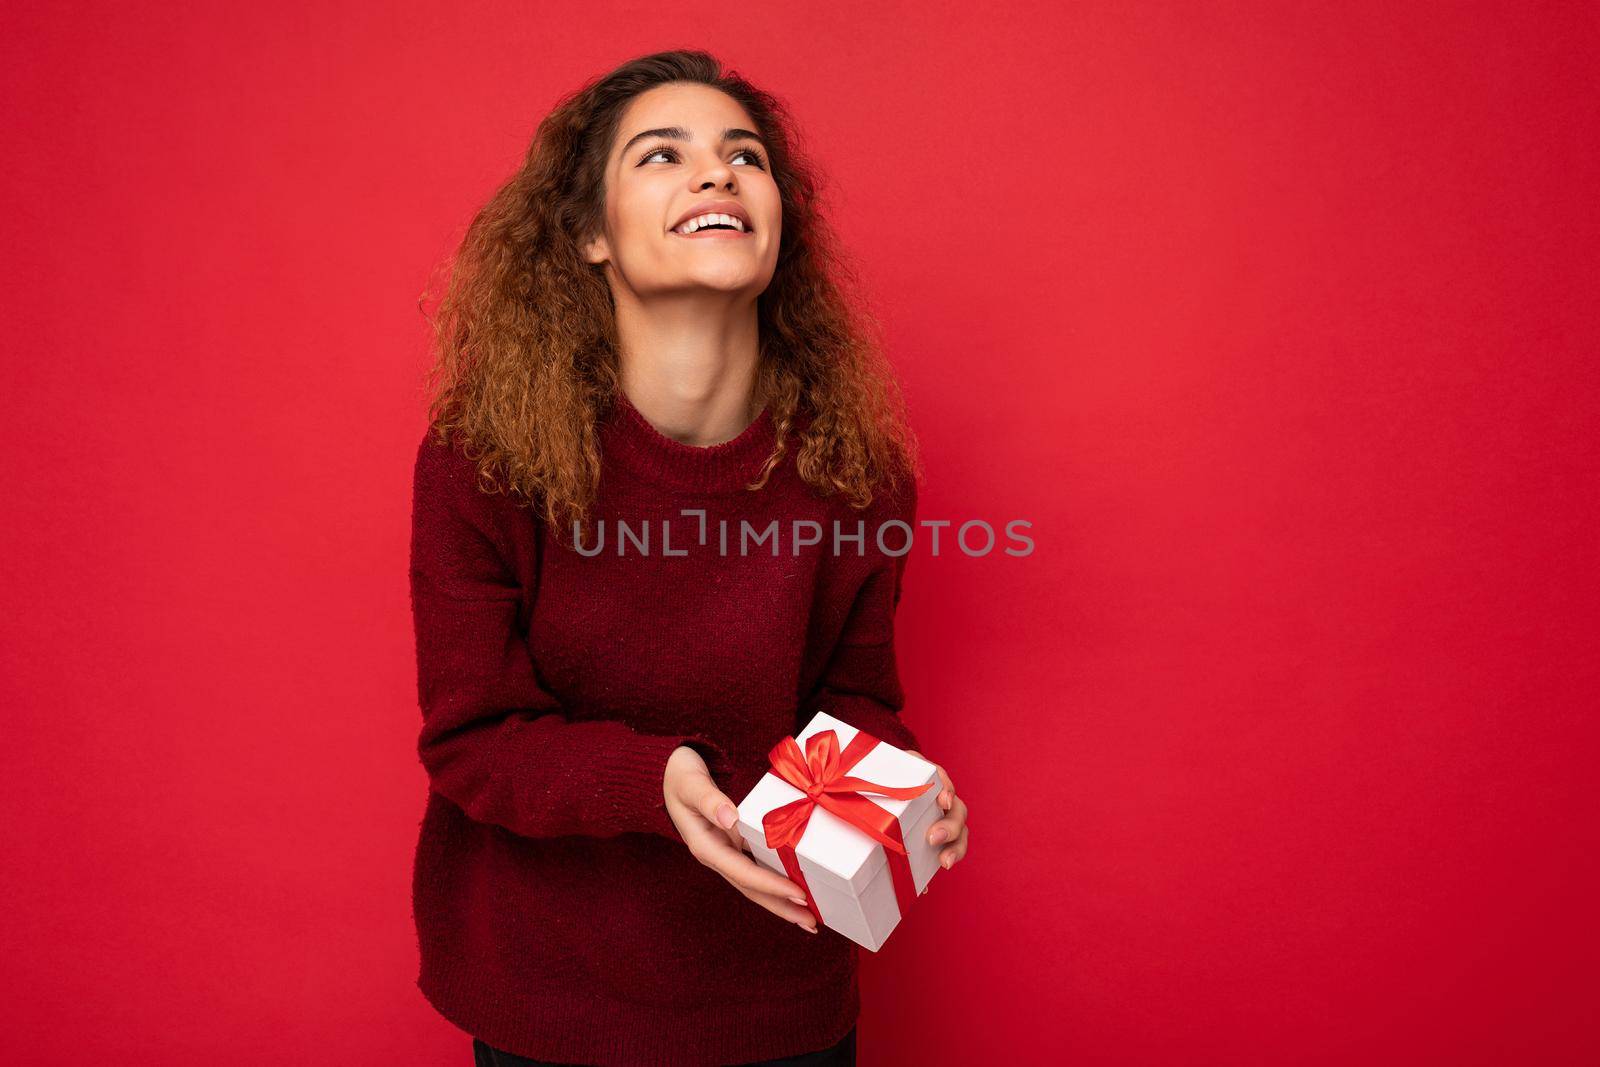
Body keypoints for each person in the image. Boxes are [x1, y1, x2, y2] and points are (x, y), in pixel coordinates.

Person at [408, 49, 971, 1066]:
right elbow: (473, 736)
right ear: (588, 234)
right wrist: (655, 777)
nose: (716, 175)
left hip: (778, 998)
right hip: (551, 997)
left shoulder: (855, 470)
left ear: (777, 220)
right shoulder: (482, 460)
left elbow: (851, 700)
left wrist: (898, 790)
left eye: (743, 156)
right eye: (661, 155)